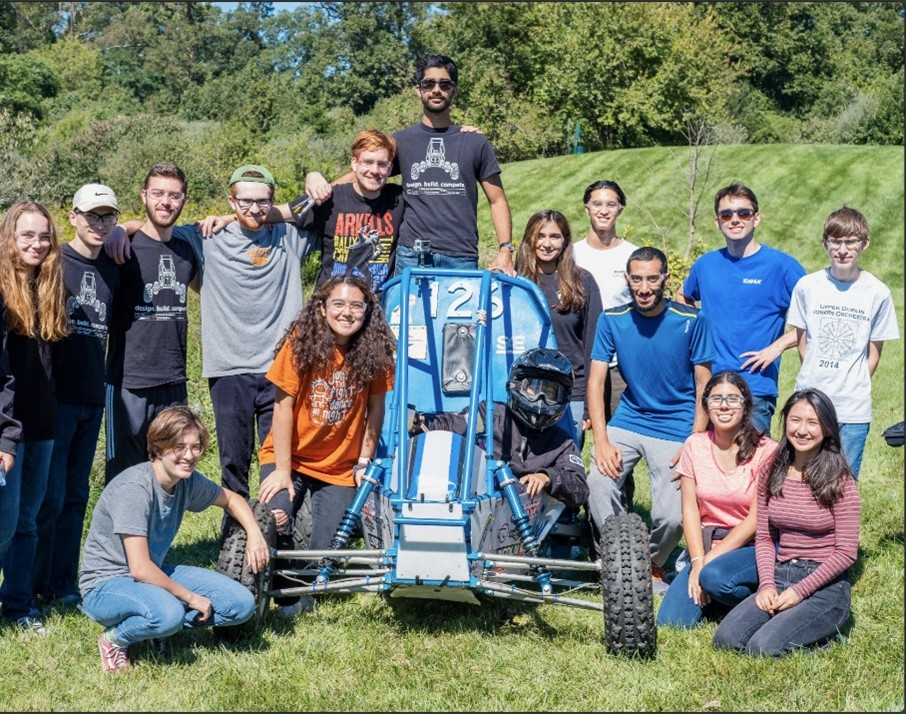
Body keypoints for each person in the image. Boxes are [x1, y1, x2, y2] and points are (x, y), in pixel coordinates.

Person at [111, 164, 320, 501]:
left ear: (273, 202)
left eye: (263, 201)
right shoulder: (203, 237)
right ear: (231, 201)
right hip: (229, 368)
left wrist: (314, 177)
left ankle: (277, 532)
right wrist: (122, 227)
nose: (254, 208)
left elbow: (335, 202)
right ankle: (236, 535)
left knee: (279, 458)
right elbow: (156, 226)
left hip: (282, 369)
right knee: (232, 463)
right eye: (245, 201)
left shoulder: (290, 237)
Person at [78, 406, 269, 674]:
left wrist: (255, 534)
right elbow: (140, 568)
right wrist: (191, 598)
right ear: (159, 446)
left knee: (241, 604)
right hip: (106, 585)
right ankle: (115, 638)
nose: (190, 456)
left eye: (196, 447)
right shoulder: (134, 489)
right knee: (170, 614)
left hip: (151, 574)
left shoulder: (186, 482)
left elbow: (232, 499)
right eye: (180, 447)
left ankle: (156, 621)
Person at [256, 274, 395, 615]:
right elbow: (282, 405)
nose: (347, 313)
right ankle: (275, 584)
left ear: (367, 312)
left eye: (355, 306)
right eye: (338, 304)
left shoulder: (375, 350)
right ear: (321, 308)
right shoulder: (301, 341)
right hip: (290, 455)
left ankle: (300, 597)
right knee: (277, 515)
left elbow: (376, 408)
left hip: (338, 467)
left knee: (327, 549)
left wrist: (364, 460)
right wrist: (284, 472)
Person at [305, 53, 515, 275]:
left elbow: (497, 199)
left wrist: (505, 250)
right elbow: (364, 174)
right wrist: (320, 184)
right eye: (429, 84)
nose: (436, 90)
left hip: (461, 255)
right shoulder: (401, 141)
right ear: (419, 89)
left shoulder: (474, 142)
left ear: (455, 90)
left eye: (444, 84)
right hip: (412, 254)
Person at [586, 246, 715, 593]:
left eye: (652, 279)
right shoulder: (611, 320)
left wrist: (695, 441)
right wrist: (601, 441)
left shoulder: (691, 321)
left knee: (673, 516)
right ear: (627, 279)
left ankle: (654, 563)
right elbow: (596, 380)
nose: (644, 287)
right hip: (629, 419)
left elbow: (704, 384)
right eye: (637, 279)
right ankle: (622, 556)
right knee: (597, 483)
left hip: (676, 425)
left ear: (665, 279)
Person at [713, 388, 860, 656]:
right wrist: (767, 584)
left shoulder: (841, 479)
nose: (802, 430)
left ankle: (828, 635)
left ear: (826, 429)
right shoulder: (772, 471)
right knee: (725, 639)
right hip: (781, 574)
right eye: (795, 420)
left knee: (762, 649)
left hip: (824, 584)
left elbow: (846, 552)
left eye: (813, 422)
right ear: (785, 421)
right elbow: (766, 537)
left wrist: (800, 592)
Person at [33, 184, 122, 608]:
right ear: (72, 216)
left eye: (108, 217)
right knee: (47, 497)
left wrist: (126, 231)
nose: (99, 224)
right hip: (55, 397)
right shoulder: (52, 262)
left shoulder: (113, 265)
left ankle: (62, 583)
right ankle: (30, 583)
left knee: (75, 495)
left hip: (92, 395)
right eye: (92, 216)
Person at [676, 183, 806, 435]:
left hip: (756, 386)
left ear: (756, 218)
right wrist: (694, 332)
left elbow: (818, 313)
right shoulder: (706, 265)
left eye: (743, 213)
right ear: (717, 222)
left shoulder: (782, 266)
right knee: (710, 462)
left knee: (752, 466)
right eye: (727, 214)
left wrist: (776, 347)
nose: (735, 219)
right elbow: (683, 295)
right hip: (710, 383)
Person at [656, 371, 779, 628]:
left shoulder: (766, 450)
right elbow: (690, 511)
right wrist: (697, 559)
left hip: (751, 545)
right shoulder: (694, 446)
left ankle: (752, 602)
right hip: (707, 541)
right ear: (706, 405)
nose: (724, 406)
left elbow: (755, 519)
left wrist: (708, 563)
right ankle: (720, 598)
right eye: (716, 399)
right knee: (672, 622)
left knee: (713, 577)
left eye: (733, 399)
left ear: (745, 405)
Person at [211, 133, 404, 295]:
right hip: (328, 307)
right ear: (354, 163)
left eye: (382, 164)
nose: (374, 170)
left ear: (390, 168)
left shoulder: (399, 200)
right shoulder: (331, 200)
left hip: (377, 308)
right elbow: (275, 213)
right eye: (367, 162)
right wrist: (226, 218)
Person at [104, 163, 200, 484]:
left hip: (173, 379)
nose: (165, 202)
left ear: (184, 200)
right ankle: (118, 536)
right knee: (125, 476)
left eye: (174, 195)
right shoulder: (122, 247)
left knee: (171, 470)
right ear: (144, 195)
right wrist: (119, 228)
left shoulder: (187, 249)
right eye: (157, 193)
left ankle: (157, 535)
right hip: (129, 381)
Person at [787, 206, 899, 478]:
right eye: (835, 241)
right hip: (810, 402)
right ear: (825, 243)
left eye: (851, 242)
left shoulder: (878, 293)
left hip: (852, 408)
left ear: (865, 243)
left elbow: (874, 354)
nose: (843, 250)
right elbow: (803, 342)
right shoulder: (807, 286)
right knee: (802, 478)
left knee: (843, 484)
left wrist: (853, 382)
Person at [0, 201, 70, 633]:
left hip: (42, 425)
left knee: (27, 522)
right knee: (4, 525)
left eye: (44, 235)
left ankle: (19, 607)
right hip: (6, 430)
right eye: (27, 235)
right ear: (10, 238)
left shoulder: (48, 287)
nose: (37, 243)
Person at [414, 347, 589, 509]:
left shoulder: (561, 443)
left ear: (563, 397)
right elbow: (452, 425)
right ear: (517, 385)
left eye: (550, 393)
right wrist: (420, 424)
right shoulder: (489, 416)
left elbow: (580, 489)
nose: (540, 399)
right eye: (533, 389)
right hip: (481, 505)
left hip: (526, 517)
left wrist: (548, 477)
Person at [572, 179, 640, 506]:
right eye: (596, 203)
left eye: (610, 204)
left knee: (618, 446)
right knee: (571, 441)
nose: (603, 209)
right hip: (578, 363)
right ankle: (571, 514)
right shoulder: (572, 255)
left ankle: (619, 519)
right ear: (586, 208)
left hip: (620, 368)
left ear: (620, 209)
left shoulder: (631, 256)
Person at [514, 210, 602, 449]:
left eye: (554, 236)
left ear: (565, 241)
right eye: (540, 236)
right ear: (530, 239)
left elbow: (594, 346)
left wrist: (586, 406)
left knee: (566, 466)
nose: (546, 243)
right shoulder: (515, 282)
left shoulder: (582, 281)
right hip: (521, 390)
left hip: (568, 393)